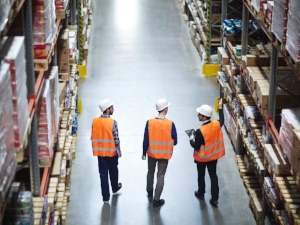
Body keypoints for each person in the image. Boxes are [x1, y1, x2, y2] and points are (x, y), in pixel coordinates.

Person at [189, 99, 225, 207]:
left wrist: (191, 138)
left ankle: (201, 193)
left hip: (202, 158)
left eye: (199, 114)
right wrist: (220, 107)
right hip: (213, 157)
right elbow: (222, 119)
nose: (197, 115)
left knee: (201, 176)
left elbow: (196, 145)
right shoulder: (216, 124)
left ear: (204, 117)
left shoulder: (200, 131)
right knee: (213, 176)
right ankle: (214, 198)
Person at [142, 99, 177, 208]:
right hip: (164, 155)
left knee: (150, 172)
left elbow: (146, 140)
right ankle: (156, 200)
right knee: (160, 176)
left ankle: (149, 191)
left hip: (151, 154)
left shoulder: (149, 122)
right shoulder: (171, 124)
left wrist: (144, 152)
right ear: (166, 109)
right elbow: (175, 141)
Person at [91, 99, 122, 204]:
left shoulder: (95, 121)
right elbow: (116, 139)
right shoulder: (112, 122)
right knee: (114, 172)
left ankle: (105, 198)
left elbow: (93, 135)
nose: (113, 109)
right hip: (112, 153)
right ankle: (114, 187)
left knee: (103, 175)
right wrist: (119, 151)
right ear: (107, 110)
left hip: (100, 154)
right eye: (111, 107)